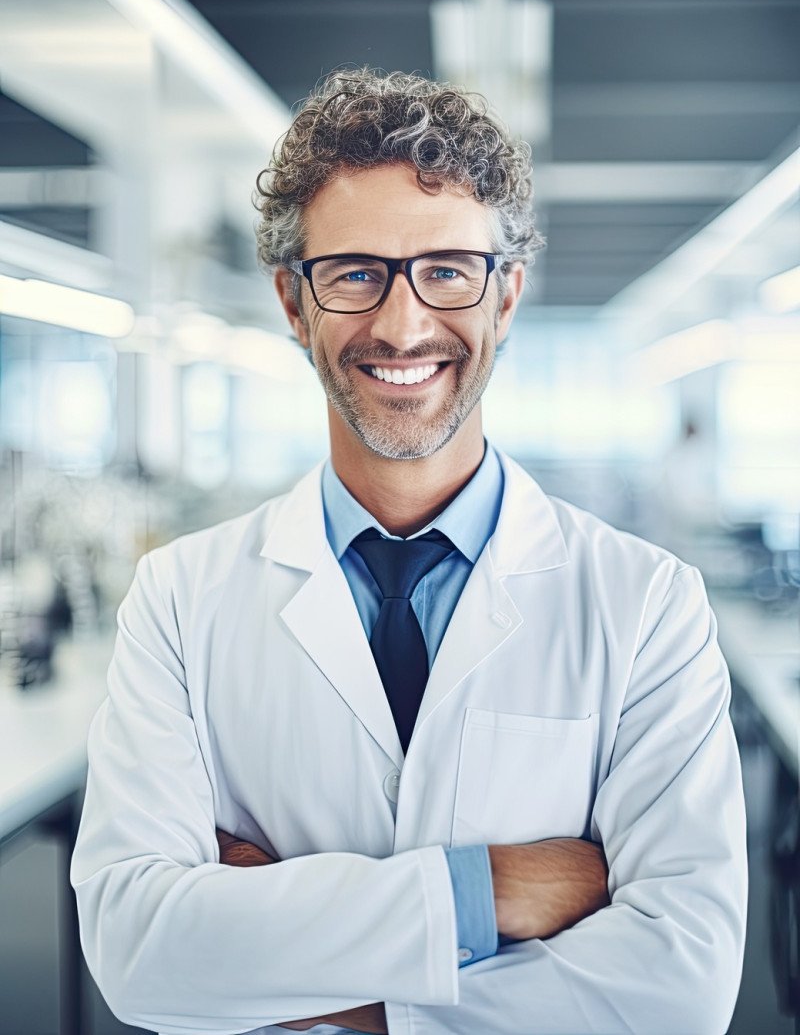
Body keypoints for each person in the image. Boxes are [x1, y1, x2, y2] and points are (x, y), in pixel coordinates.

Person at [70, 69, 747, 1035]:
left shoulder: (646, 604)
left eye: (446, 269)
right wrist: (495, 889)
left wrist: (303, 975)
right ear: (294, 304)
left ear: (504, 297)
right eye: (354, 272)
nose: (401, 323)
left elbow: (678, 988)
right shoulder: (179, 599)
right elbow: (141, 952)